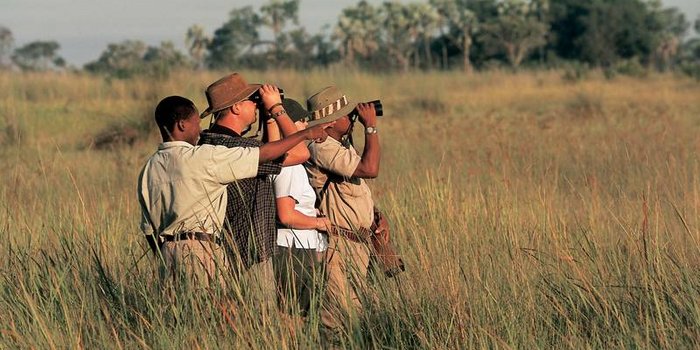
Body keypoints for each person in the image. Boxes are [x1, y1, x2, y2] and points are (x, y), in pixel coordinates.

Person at [137, 95, 331, 287]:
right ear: (181, 125)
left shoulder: (150, 167)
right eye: (196, 123)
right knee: (210, 313)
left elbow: (149, 230)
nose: (200, 129)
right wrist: (302, 132)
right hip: (201, 248)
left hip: (166, 251)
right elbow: (268, 154)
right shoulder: (202, 157)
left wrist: (167, 254)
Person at [197, 73, 314, 298]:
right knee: (259, 322)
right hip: (251, 253)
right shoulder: (238, 149)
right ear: (236, 108)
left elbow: (271, 150)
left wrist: (268, 119)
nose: (256, 104)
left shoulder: (209, 142)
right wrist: (277, 109)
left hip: (220, 252)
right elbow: (300, 152)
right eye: (252, 100)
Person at [304, 86, 388, 336]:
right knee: (337, 319)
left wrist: (377, 216)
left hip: (358, 243)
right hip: (339, 246)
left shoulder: (340, 144)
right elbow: (369, 169)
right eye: (346, 114)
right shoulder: (322, 147)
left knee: (360, 314)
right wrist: (370, 127)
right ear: (329, 123)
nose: (352, 117)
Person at [266, 98, 331, 321]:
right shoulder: (290, 168)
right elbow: (286, 214)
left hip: (298, 248)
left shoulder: (288, 162)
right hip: (294, 249)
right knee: (294, 317)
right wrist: (320, 223)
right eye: (301, 121)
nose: (306, 125)